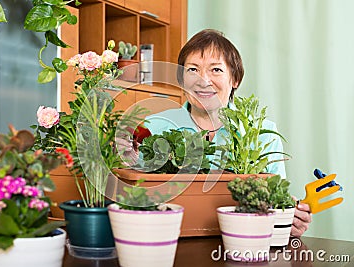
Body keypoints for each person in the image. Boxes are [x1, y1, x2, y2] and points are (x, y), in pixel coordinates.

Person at [117, 29, 311, 237]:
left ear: (235, 79)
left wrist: (288, 219)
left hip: (243, 241)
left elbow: (276, 197)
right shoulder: (155, 126)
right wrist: (128, 157)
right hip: (171, 238)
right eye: (192, 70)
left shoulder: (262, 134)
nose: (203, 81)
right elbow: (140, 189)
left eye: (216, 70)